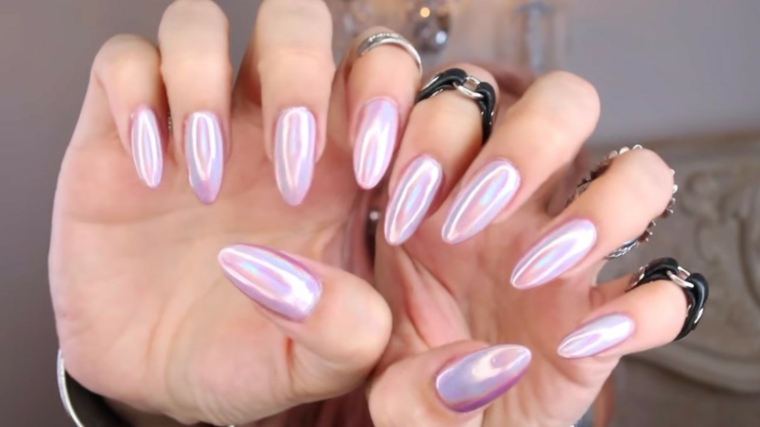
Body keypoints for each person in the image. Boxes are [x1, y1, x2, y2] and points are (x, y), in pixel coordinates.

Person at [49, 1, 707, 426]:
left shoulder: (539, 331)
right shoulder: (270, 210)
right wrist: (134, 402)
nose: (439, 54)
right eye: (419, 23)